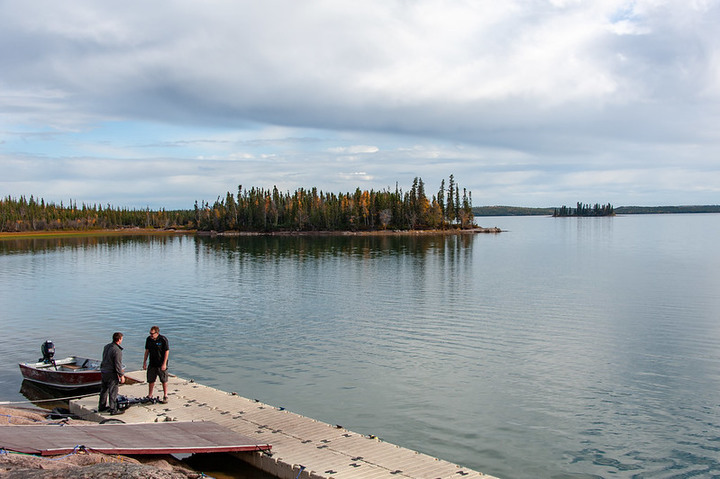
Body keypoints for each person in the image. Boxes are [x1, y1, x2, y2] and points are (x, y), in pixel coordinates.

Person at [99, 332, 125, 414]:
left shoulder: (106, 347)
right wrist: (121, 375)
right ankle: (113, 409)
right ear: (119, 339)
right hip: (111, 373)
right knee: (113, 391)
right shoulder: (117, 350)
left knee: (104, 390)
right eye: (122, 339)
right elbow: (117, 364)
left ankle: (101, 406)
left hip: (104, 371)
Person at [143, 325, 170, 403]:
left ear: (157, 333)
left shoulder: (163, 339)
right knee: (151, 380)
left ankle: (165, 395)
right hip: (152, 363)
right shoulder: (148, 339)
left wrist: (164, 363)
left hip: (161, 363)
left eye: (152, 333)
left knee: (164, 380)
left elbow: (166, 351)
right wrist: (144, 362)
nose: (151, 335)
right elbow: (147, 351)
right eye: (150, 333)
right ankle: (150, 395)